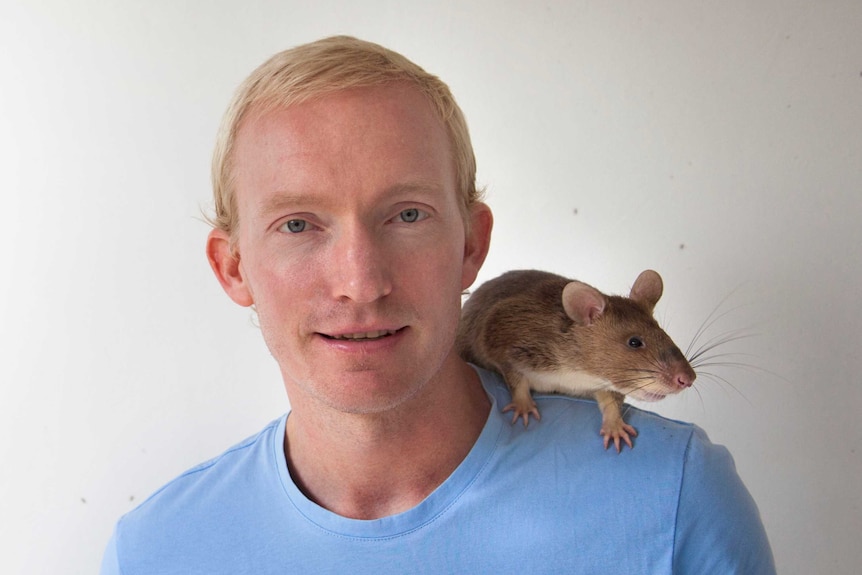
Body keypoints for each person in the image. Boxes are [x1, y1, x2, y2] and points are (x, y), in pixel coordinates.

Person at [100, 35, 775, 574]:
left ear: (472, 247)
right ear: (234, 267)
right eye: (299, 224)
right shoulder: (155, 552)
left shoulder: (677, 498)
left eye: (408, 214)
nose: (361, 283)